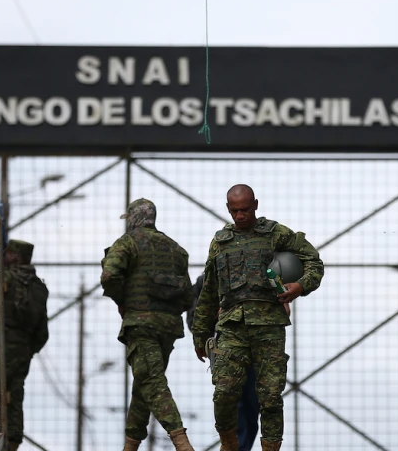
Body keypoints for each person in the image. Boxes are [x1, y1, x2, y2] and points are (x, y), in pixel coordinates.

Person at [191, 184, 325, 451]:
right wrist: (200, 333)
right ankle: (229, 444)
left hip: (269, 327)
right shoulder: (220, 242)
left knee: (271, 397)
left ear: (255, 205)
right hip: (231, 326)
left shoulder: (276, 234)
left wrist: (300, 286)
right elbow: (208, 291)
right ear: (228, 209)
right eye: (235, 211)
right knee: (224, 392)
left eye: (245, 210)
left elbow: (314, 262)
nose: (240, 216)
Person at [101, 198, 196, 451]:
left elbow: (110, 275)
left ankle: (182, 443)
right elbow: (187, 296)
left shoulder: (128, 242)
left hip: (140, 324)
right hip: (168, 328)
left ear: (132, 218)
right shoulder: (176, 249)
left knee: (152, 383)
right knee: (144, 385)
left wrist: (122, 300)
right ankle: (130, 446)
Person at [187, 274, 260, 451]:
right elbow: (194, 318)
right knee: (232, 401)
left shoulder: (260, 272)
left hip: (256, 346)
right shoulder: (206, 280)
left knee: (251, 405)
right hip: (225, 347)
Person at [0, 239, 50, 451]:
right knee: (14, 397)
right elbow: (42, 332)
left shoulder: (4, 279)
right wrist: (27, 350)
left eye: (8, 253)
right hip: (23, 350)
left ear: (15, 257)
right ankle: (12, 444)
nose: (4, 257)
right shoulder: (39, 288)